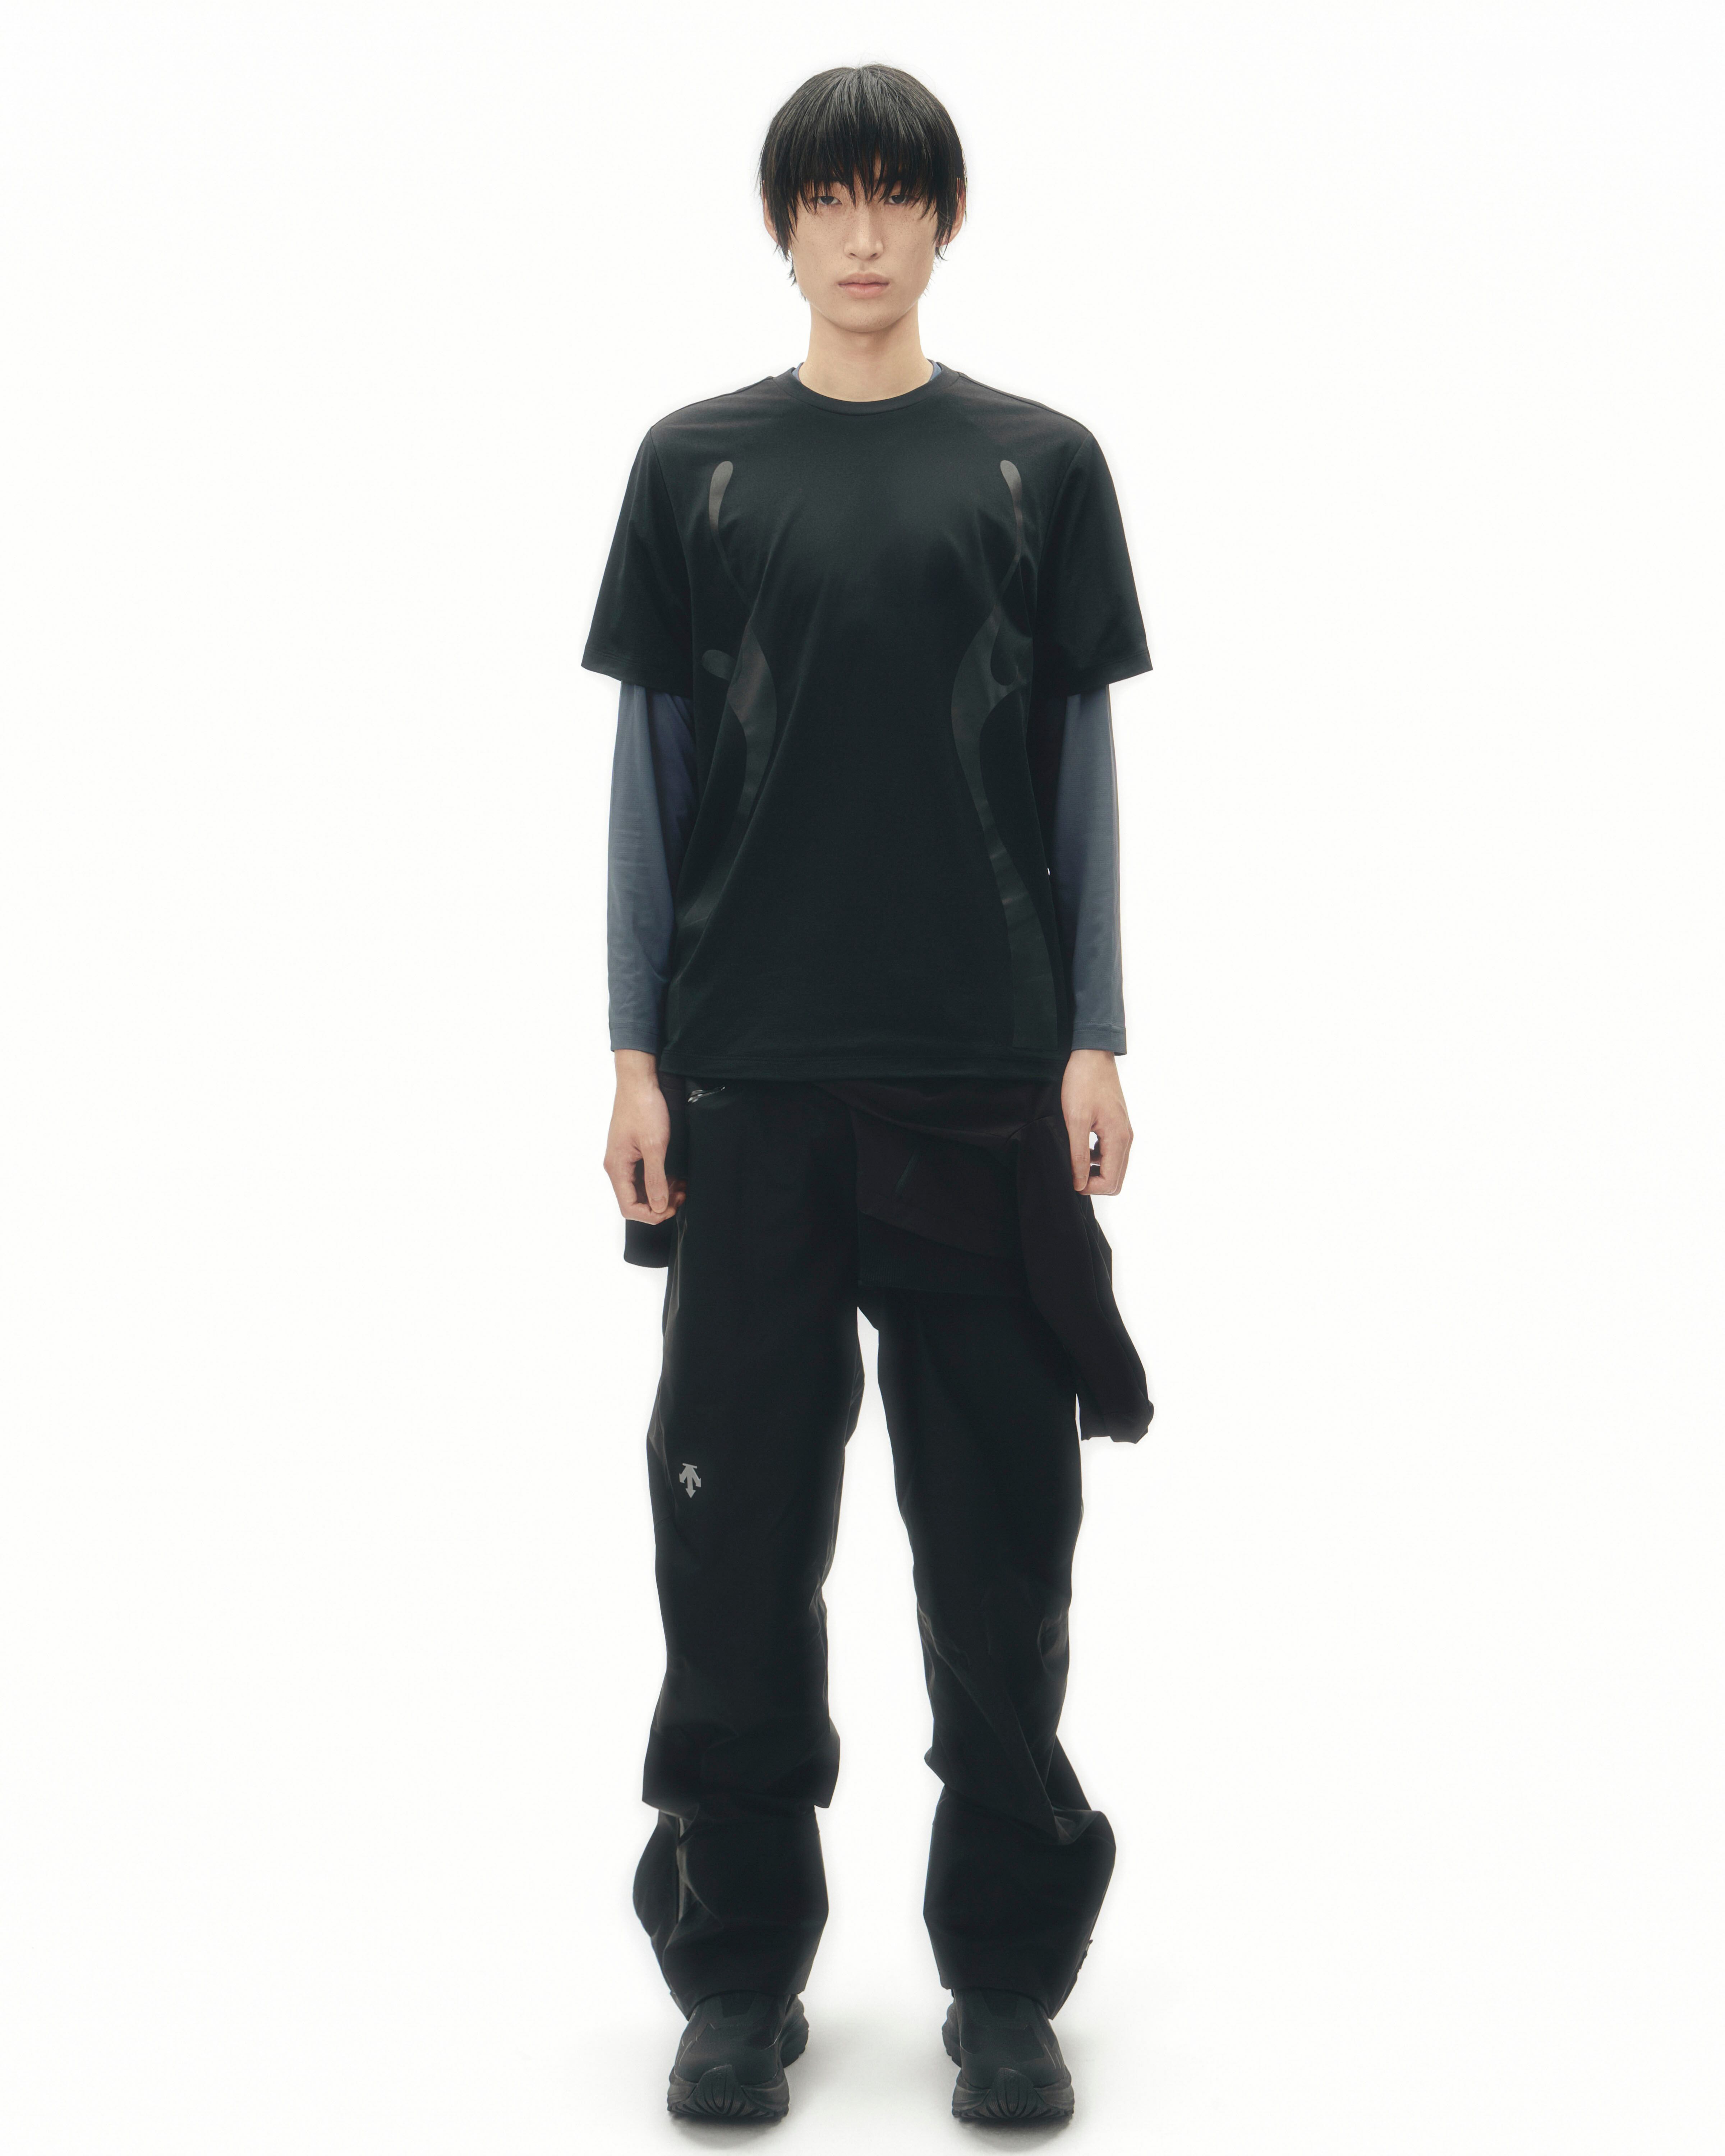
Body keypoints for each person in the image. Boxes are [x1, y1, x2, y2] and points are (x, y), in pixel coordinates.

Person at [583, 63, 1154, 2124]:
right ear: (782, 224)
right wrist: (634, 1055)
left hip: (983, 1085)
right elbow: (651, 781)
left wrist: (1094, 1031)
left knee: (1000, 1550)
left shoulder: (1037, 467)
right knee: (734, 1549)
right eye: (826, 196)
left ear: (944, 220)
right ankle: (737, 1973)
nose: (860, 232)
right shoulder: (697, 469)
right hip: (747, 1085)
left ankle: (1003, 1977)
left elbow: (1076, 769)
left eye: (894, 194)